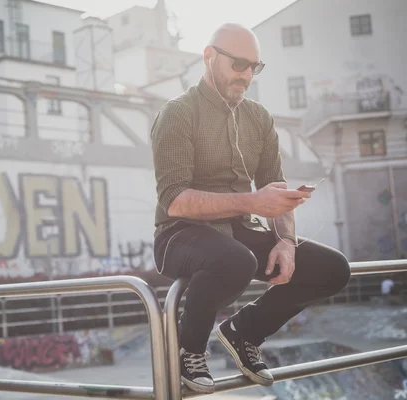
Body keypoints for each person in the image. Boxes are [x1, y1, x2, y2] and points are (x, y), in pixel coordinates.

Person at [150, 23, 351, 393]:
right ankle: (188, 350)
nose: (246, 75)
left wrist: (286, 242)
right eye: (239, 64)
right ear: (209, 57)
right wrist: (253, 202)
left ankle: (244, 332)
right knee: (236, 259)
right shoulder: (177, 113)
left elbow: (276, 192)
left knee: (333, 269)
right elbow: (175, 199)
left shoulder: (259, 118)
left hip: (240, 232)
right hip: (179, 235)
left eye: (254, 67)